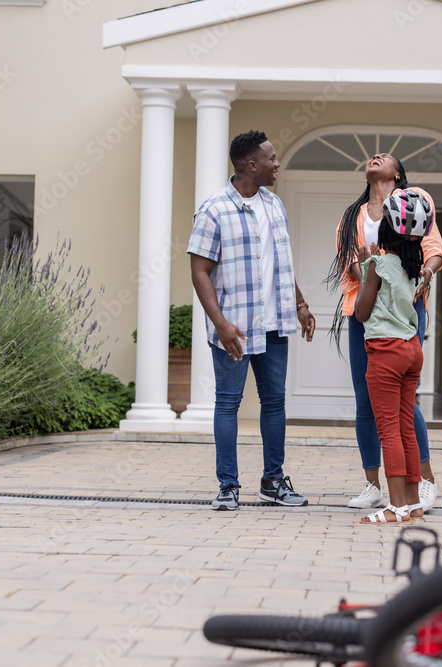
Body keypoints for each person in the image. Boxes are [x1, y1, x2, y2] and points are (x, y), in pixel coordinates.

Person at [188, 130, 317, 512]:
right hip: (236, 327)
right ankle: (228, 486)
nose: (278, 163)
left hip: (275, 321)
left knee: (274, 401)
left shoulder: (275, 205)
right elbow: (199, 271)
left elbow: (281, 264)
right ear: (252, 165)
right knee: (228, 403)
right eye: (272, 158)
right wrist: (221, 324)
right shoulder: (214, 209)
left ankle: (273, 483)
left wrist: (300, 303)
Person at [326, 153, 442, 512]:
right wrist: (372, 272)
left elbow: (434, 249)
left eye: (385, 157)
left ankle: (424, 481)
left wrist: (423, 275)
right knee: (366, 401)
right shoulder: (352, 217)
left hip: (406, 308)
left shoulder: (415, 199)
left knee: (403, 400)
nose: (375, 157)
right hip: (362, 312)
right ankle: (372, 485)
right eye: (371, 157)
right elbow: (349, 262)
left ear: (398, 173)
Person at [354, 189, 435, 524]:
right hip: (411, 350)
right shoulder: (415, 268)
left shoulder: (379, 264)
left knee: (387, 428)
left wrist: (364, 266)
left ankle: (396, 506)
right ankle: (414, 504)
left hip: (385, 352)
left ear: (385, 231)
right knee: (405, 427)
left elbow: (361, 311)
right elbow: (389, 297)